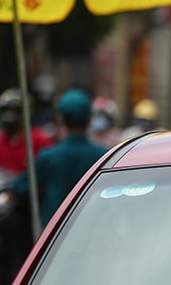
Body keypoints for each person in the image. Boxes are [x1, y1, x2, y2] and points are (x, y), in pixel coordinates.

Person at [12, 88, 107, 229]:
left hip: (56, 239)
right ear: (90, 119)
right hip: (93, 232)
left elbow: (19, 188)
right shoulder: (105, 157)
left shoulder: (49, 157)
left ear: (60, 119)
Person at [0, 88, 54, 179]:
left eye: (13, 112)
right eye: (6, 112)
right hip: (4, 190)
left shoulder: (39, 139)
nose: (8, 116)